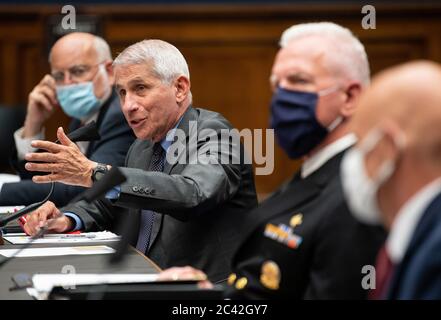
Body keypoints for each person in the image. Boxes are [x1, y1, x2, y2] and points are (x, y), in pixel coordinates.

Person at [158, 22, 385, 299]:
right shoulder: (314, 172)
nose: (282, 96)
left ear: (350, 97)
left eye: (299, 81)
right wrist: (209, 293)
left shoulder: (357, 193)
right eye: (278, 84)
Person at [22, 39, 258, 282]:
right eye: (122, 92)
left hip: (204, 289)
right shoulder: (142, 146)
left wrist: (95, 173)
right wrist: (67, 218)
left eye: (140, 88)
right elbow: (110, 204)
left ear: (179, 88)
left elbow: (192, 193)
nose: (128, 105)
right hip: (141, 278)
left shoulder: (214, 133)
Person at [340, 60, 441, 299]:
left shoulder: (435, 254)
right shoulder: (418, 236)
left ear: (387, 148)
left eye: (357, 143)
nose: (351, 161)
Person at [0, 32, 135, 207]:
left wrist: (2, 189)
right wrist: (33, 123)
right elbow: (40, 179)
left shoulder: (120, 115)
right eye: (58, 76)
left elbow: (87, 186)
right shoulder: (82, 117)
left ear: (109, 72)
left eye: (78, 71)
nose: (68, 83)